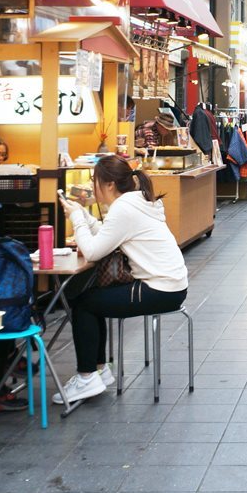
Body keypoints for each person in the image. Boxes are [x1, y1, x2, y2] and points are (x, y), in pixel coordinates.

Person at [55, 156, 188, 405]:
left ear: (109, 185)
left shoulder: (124, 208)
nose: (93, 186)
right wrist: (84, 215)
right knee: (92, 300)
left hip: (159, 288)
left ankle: (87, 376)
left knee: (84, 303)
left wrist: (76, 219)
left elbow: (94, 251)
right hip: (171, 285)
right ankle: (98, 370)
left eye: (95, 181)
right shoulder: (136, 201)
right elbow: (109, 236)